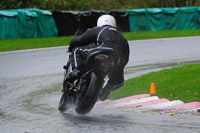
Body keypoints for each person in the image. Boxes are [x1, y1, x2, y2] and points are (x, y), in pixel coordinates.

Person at [65, 15, 130, 101]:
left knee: (76, 50)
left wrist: (71, 46)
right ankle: (106, 90)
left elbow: (80, 40)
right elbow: (126, 57)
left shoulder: (99, 29)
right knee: (119, 80)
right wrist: (119, 67)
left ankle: (76, 71)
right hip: (115, 60)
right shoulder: (123, 37)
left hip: (100, 53)